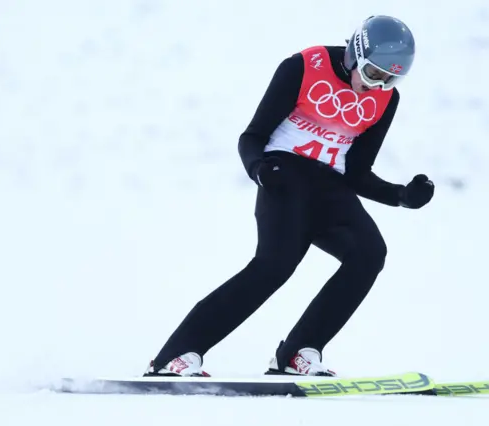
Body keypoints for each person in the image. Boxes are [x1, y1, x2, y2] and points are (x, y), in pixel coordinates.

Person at [145, 15, 435, 378]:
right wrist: (260, 169)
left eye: (390, 79)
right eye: (374, 74)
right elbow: (251, 137)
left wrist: (401, 196)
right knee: (274, 266)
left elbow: (357, 172)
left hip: (331, 187)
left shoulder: (384, 100)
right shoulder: (303, 67)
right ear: (355, 54)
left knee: (369, 253)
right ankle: (175, 355)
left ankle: (298, 353)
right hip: (285, 176)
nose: (377, 87)